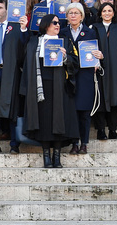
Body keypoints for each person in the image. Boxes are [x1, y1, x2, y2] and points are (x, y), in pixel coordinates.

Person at [19, 14, 79, 168]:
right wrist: (23, 29)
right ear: (46, 25)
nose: (57, 25)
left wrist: (66, 58)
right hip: (40, 87)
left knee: (58, 121)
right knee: (45, 122)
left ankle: (57, 157)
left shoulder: (65, 41)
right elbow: (23, 60)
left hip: (60, 87)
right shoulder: (34, 42)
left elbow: (75, 62)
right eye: (54, 23)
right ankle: (46, 156)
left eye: (59, 23)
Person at [0, 0, 28, 154]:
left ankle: (14, 145)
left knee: (12, 107)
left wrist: (23, 30)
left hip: (11, 72)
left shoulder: (16, 28)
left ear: (7, 10)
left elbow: (24, 50)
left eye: (0, 8)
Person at [60, 3, 101, 154]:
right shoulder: (62, 32)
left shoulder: (90, 32)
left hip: (85, 76)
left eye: (76, 13)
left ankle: (84, 143)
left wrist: (99, 57)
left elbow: (97, 52)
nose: (73, 15)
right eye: (70, 13)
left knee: (84, 112)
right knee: (72, 112)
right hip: (68, 77)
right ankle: (74, 143)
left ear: (82, 16)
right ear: (67, 16)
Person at [92, 2, 117, 140]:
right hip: (100, 69)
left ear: (114, 13)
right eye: (104, 11)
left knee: (115, 99)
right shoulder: (95, 28)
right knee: (101, 100)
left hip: (116, 69)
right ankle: (101, 130)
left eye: (110, 10)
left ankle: (113, 130)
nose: (107, 13)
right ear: (100, 13)